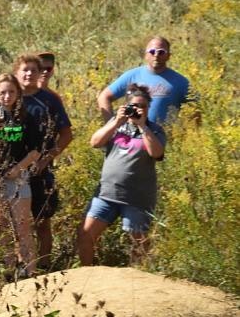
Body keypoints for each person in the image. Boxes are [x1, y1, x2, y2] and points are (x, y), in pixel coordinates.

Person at [77, 84, 166, 266]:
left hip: (137, 197)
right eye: (134, 106)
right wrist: (116, 122)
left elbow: (156, 153)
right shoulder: (117, 124)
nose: (138, 110)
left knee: (138, 243)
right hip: (107, 193)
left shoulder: (155, 130)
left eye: (143, 106)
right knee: (86, 234)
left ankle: (138, 280)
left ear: (148, 108)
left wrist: (143, 127)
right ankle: (87, 274)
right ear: (126, 106)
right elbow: (94, 142)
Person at [0, 74, 41, 276]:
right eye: (2, 92)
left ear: (18, 93)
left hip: (18, 178)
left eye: (11, 92)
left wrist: (19, 168)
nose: (7, 96)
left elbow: (36, 150)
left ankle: (30, 271)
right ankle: (8, 272)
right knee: (2, 227)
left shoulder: (25, 117)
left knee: (22, 226)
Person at [17, 53, 72, 269]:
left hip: (40, 170)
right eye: (25, 70)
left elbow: (66, 135)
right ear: (16, 72)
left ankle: (44, 267)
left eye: (34, 70)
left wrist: (46, 159)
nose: (29, 74)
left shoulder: (49, 100)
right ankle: (21, 267)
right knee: (17, 223)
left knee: (42, 221)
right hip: (12, 171)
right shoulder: (9, 95)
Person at [98, 36, 190, 125]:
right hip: (133, 137)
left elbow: (199, 106)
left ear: (168, 56)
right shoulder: (132, 76)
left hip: (163, 138)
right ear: (146, 55)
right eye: (152, 51)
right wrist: (111, 125)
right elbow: (104, 97)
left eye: (161, 52)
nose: (156, 55)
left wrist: (190, 133)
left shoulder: (180, 82)